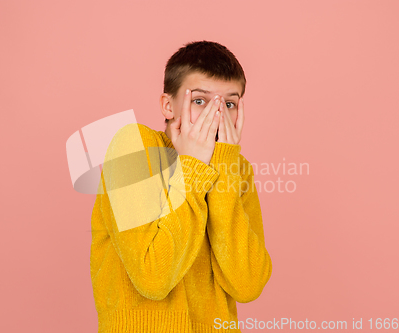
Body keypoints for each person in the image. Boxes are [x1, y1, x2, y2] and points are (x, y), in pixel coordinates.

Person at [90, 40, 272, 333]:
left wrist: (223, 167)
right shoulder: (134, 148)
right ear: (168, 105)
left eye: (229, 104)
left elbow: (248, 285)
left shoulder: (237, 170)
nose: (217, 116)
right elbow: (153, 278)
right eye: (200, 101)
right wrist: (193, 166)